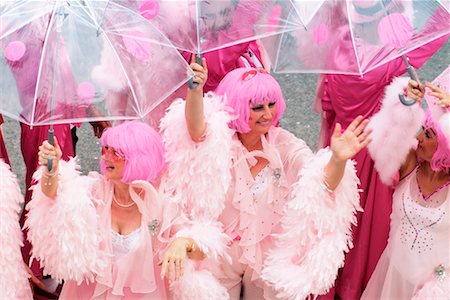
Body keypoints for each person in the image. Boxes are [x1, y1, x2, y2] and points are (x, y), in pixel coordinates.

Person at [174, 58, 371, 299]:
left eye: (271, 104)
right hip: (223, 252)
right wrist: (195, 91)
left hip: (265, 255)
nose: (268, 114)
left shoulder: (285, 145)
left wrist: (338, 159)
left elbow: (321, 182)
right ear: (238, 107)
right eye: (258, 107)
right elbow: (196, 130)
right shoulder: (220, 142)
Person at [313, 2, 449, 297]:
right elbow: (434, 35)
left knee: (337, 218)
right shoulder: (387, 60)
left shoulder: (336, 51)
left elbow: (329, 106)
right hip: (375, 151)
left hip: (340, 145)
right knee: (367, 229)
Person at [25, 120, 209, 299]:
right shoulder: (96, 190)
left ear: (139, 158)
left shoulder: (160, 200)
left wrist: (183, 243)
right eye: (106, 150)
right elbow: (53, 193)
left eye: (116, 153)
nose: (105, 157)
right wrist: (52, 168)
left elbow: (203, 250)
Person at [361, 76, 449, 299]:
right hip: (392, 278)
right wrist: (405, 103)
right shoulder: (411, 164)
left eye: (428, 134)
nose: (418, 137)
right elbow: (384, 143)